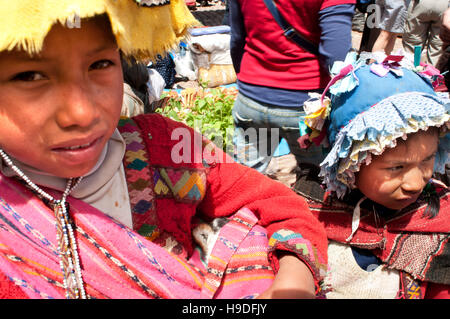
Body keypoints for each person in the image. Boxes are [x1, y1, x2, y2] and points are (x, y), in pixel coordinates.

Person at [0, 0, 328, 299]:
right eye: (30, 76)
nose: (82, 113)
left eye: (99, 64)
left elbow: (275, 201)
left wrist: (292, 281)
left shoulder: (164, 146)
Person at [300, 52, 449, 298]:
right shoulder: (309, 209)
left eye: (427, 160)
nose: (415, 184)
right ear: (350, 166)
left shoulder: (442, 218)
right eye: (396, 168)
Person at [229, 0, 356, 194]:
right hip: (305, 108)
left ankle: (241, 222)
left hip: (251, 100)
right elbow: (336, 56)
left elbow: (237, 39)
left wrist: (250, 82)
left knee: (244, 183)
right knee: (320, 183)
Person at [402, 0, 448, 66]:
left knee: (412, 45)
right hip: (444, 5)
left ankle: (409, 69)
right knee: (437, 47)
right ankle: (432, 73)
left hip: (421, 3)